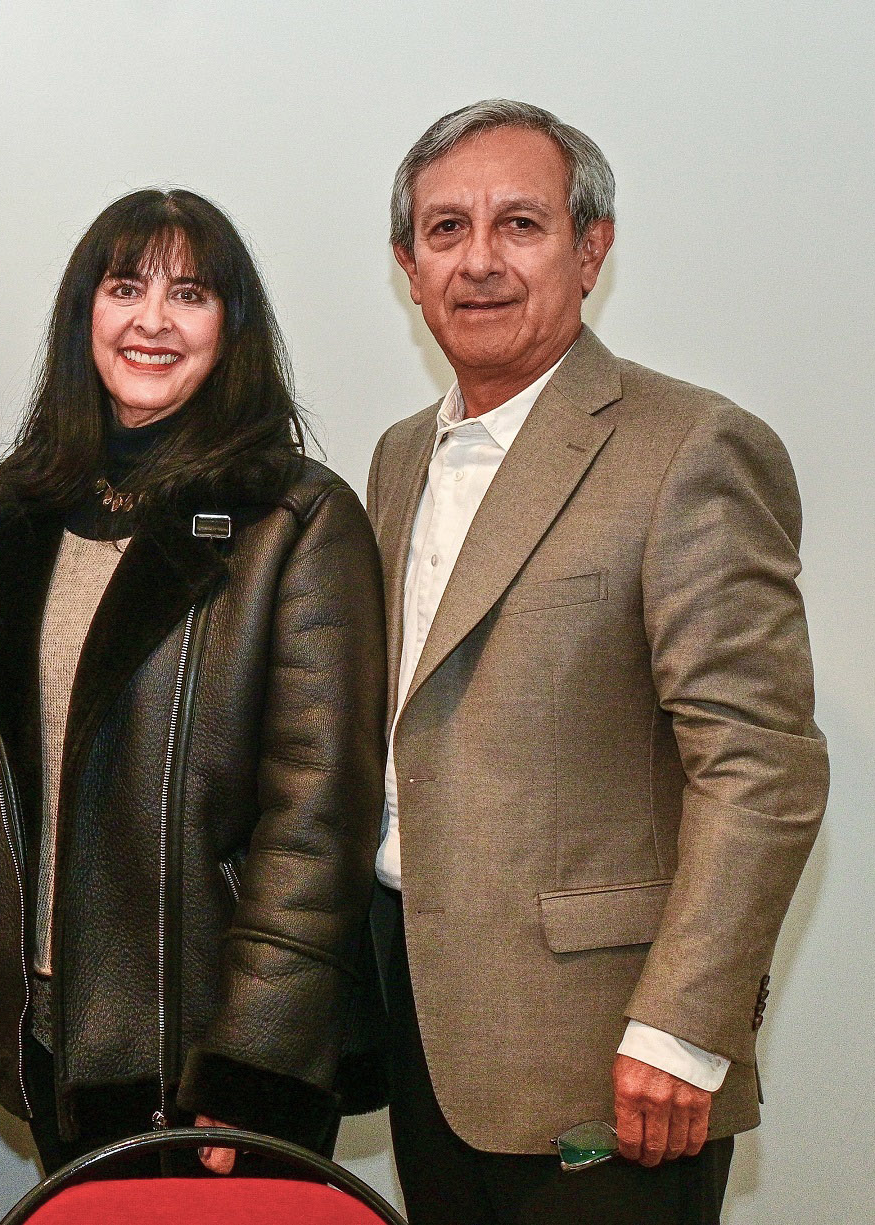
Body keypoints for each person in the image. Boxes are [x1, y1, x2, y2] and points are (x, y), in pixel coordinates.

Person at [366, 99, 826, 1223]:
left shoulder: (689, 446)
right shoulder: (395, 458)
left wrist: (684, 1026)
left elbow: (762, 768)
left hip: (610, 1058)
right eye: (444, 231)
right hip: (424, 1032)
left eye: (520, 224)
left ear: (591, 247)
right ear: (407, 266)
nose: (479, 261)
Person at [0, 189, 385, 1178]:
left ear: (229, 329)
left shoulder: (295, 519)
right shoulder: (15, 511)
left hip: (214, 1062)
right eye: (125, 288)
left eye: (189, 293)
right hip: (55, 1040)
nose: (152, 320)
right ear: (86, 317)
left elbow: (318, 824)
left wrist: (247, 1076)